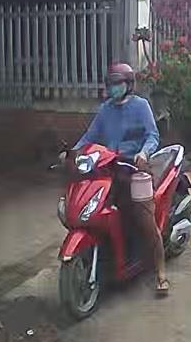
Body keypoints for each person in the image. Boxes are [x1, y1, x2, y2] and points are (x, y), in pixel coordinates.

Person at [67, 62, 169, 296]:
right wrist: (72, 153)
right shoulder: (106, 110)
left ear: (129, 84)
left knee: (144, 218)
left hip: (133, 169)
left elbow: (152, 135)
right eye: (111, 84)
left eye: (118, 83)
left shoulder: (140, 106)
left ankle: (161, 273)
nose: (113, 88)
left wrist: (144, 153)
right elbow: (89, 137)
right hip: (107, 170)